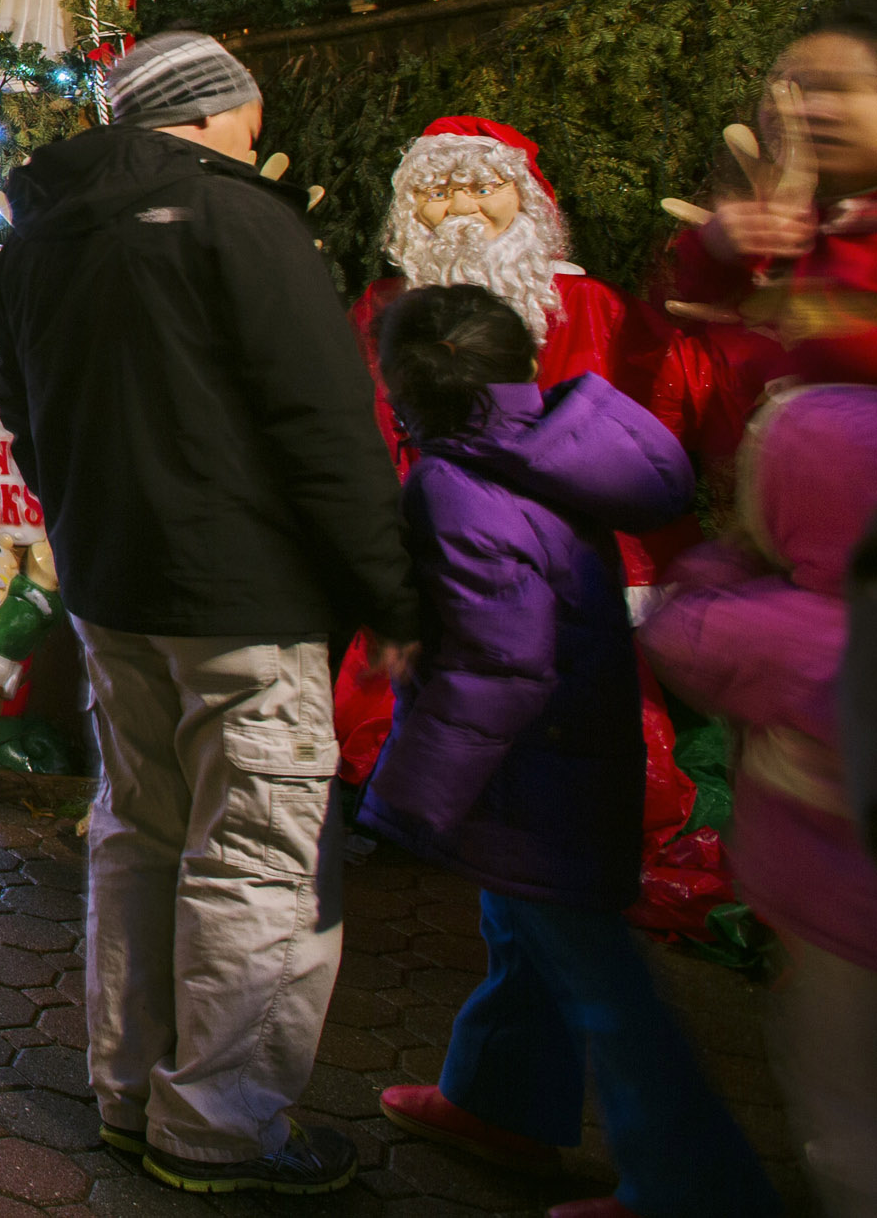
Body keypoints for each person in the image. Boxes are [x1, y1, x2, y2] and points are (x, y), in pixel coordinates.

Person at [0, 31, 417, 1196]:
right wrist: (386, 588)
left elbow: (23, 415)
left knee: (140, 828)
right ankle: (219, 1121)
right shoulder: (240, 216)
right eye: (247, 111)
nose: (255, 132)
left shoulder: (35, 235)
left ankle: (128, 1090)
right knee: (258, 852)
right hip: (245, 590)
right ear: (214, 111)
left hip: (110, 583)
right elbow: (323, 421)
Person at [357, 285, 776, 1218]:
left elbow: (499, 661)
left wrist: (405, 798)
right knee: (527, 938)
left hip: (536, 777)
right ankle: (499, 1101)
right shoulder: (545, 446)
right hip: (568, 757)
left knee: (608, 991)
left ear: (405, 389)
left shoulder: (456, 481)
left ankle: (693, 1186)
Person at [643, 358, 877, 1218]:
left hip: (834, 929)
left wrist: (730, 558)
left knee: (846, 1108)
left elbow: (679, 635)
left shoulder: (782, 631)